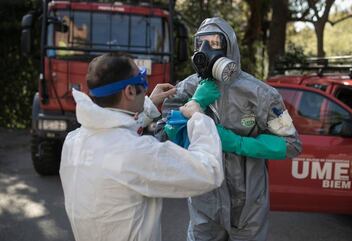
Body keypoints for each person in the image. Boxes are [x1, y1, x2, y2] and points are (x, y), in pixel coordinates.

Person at [159, 17, 303, 240]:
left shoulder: (260, 94)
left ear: (230, 47)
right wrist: (196, 104)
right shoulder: (188, 88)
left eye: (215, 43)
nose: (205, 50)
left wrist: (237, 143)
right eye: (200, 44)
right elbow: (163, 132)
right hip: (203, 199)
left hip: (248, 204)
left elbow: (291, 145)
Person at [59, 52, 224, 241]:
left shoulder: (73, 142)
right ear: (129, 91)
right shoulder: (138, 152)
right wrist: (198, 117)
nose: (146, 87)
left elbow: (115, 132)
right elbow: (209, 172)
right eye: (142, 80)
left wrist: (147, 106)